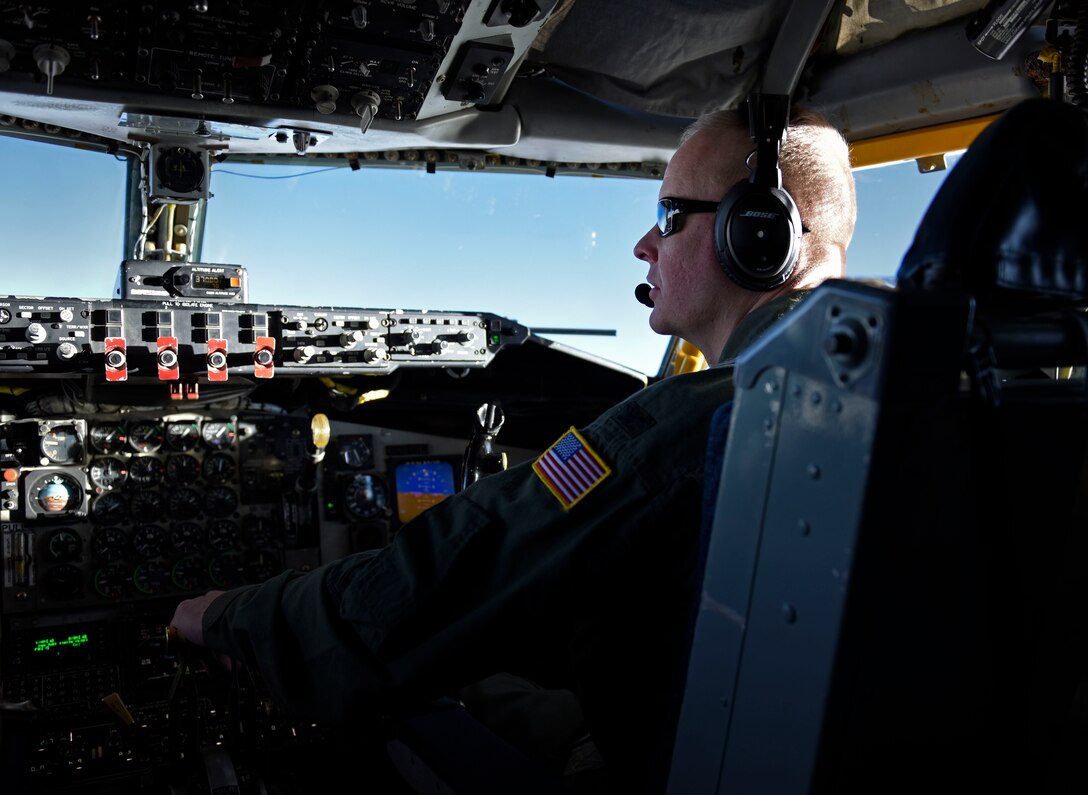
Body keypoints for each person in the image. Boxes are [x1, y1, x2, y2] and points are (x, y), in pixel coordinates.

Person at [170, 102, 857, 792]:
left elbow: (433, 584)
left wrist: (231, 617)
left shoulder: (701, 419)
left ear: (759, 233)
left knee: (400, 700)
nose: (645, 244)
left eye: (671, 214)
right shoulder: (863, 398)